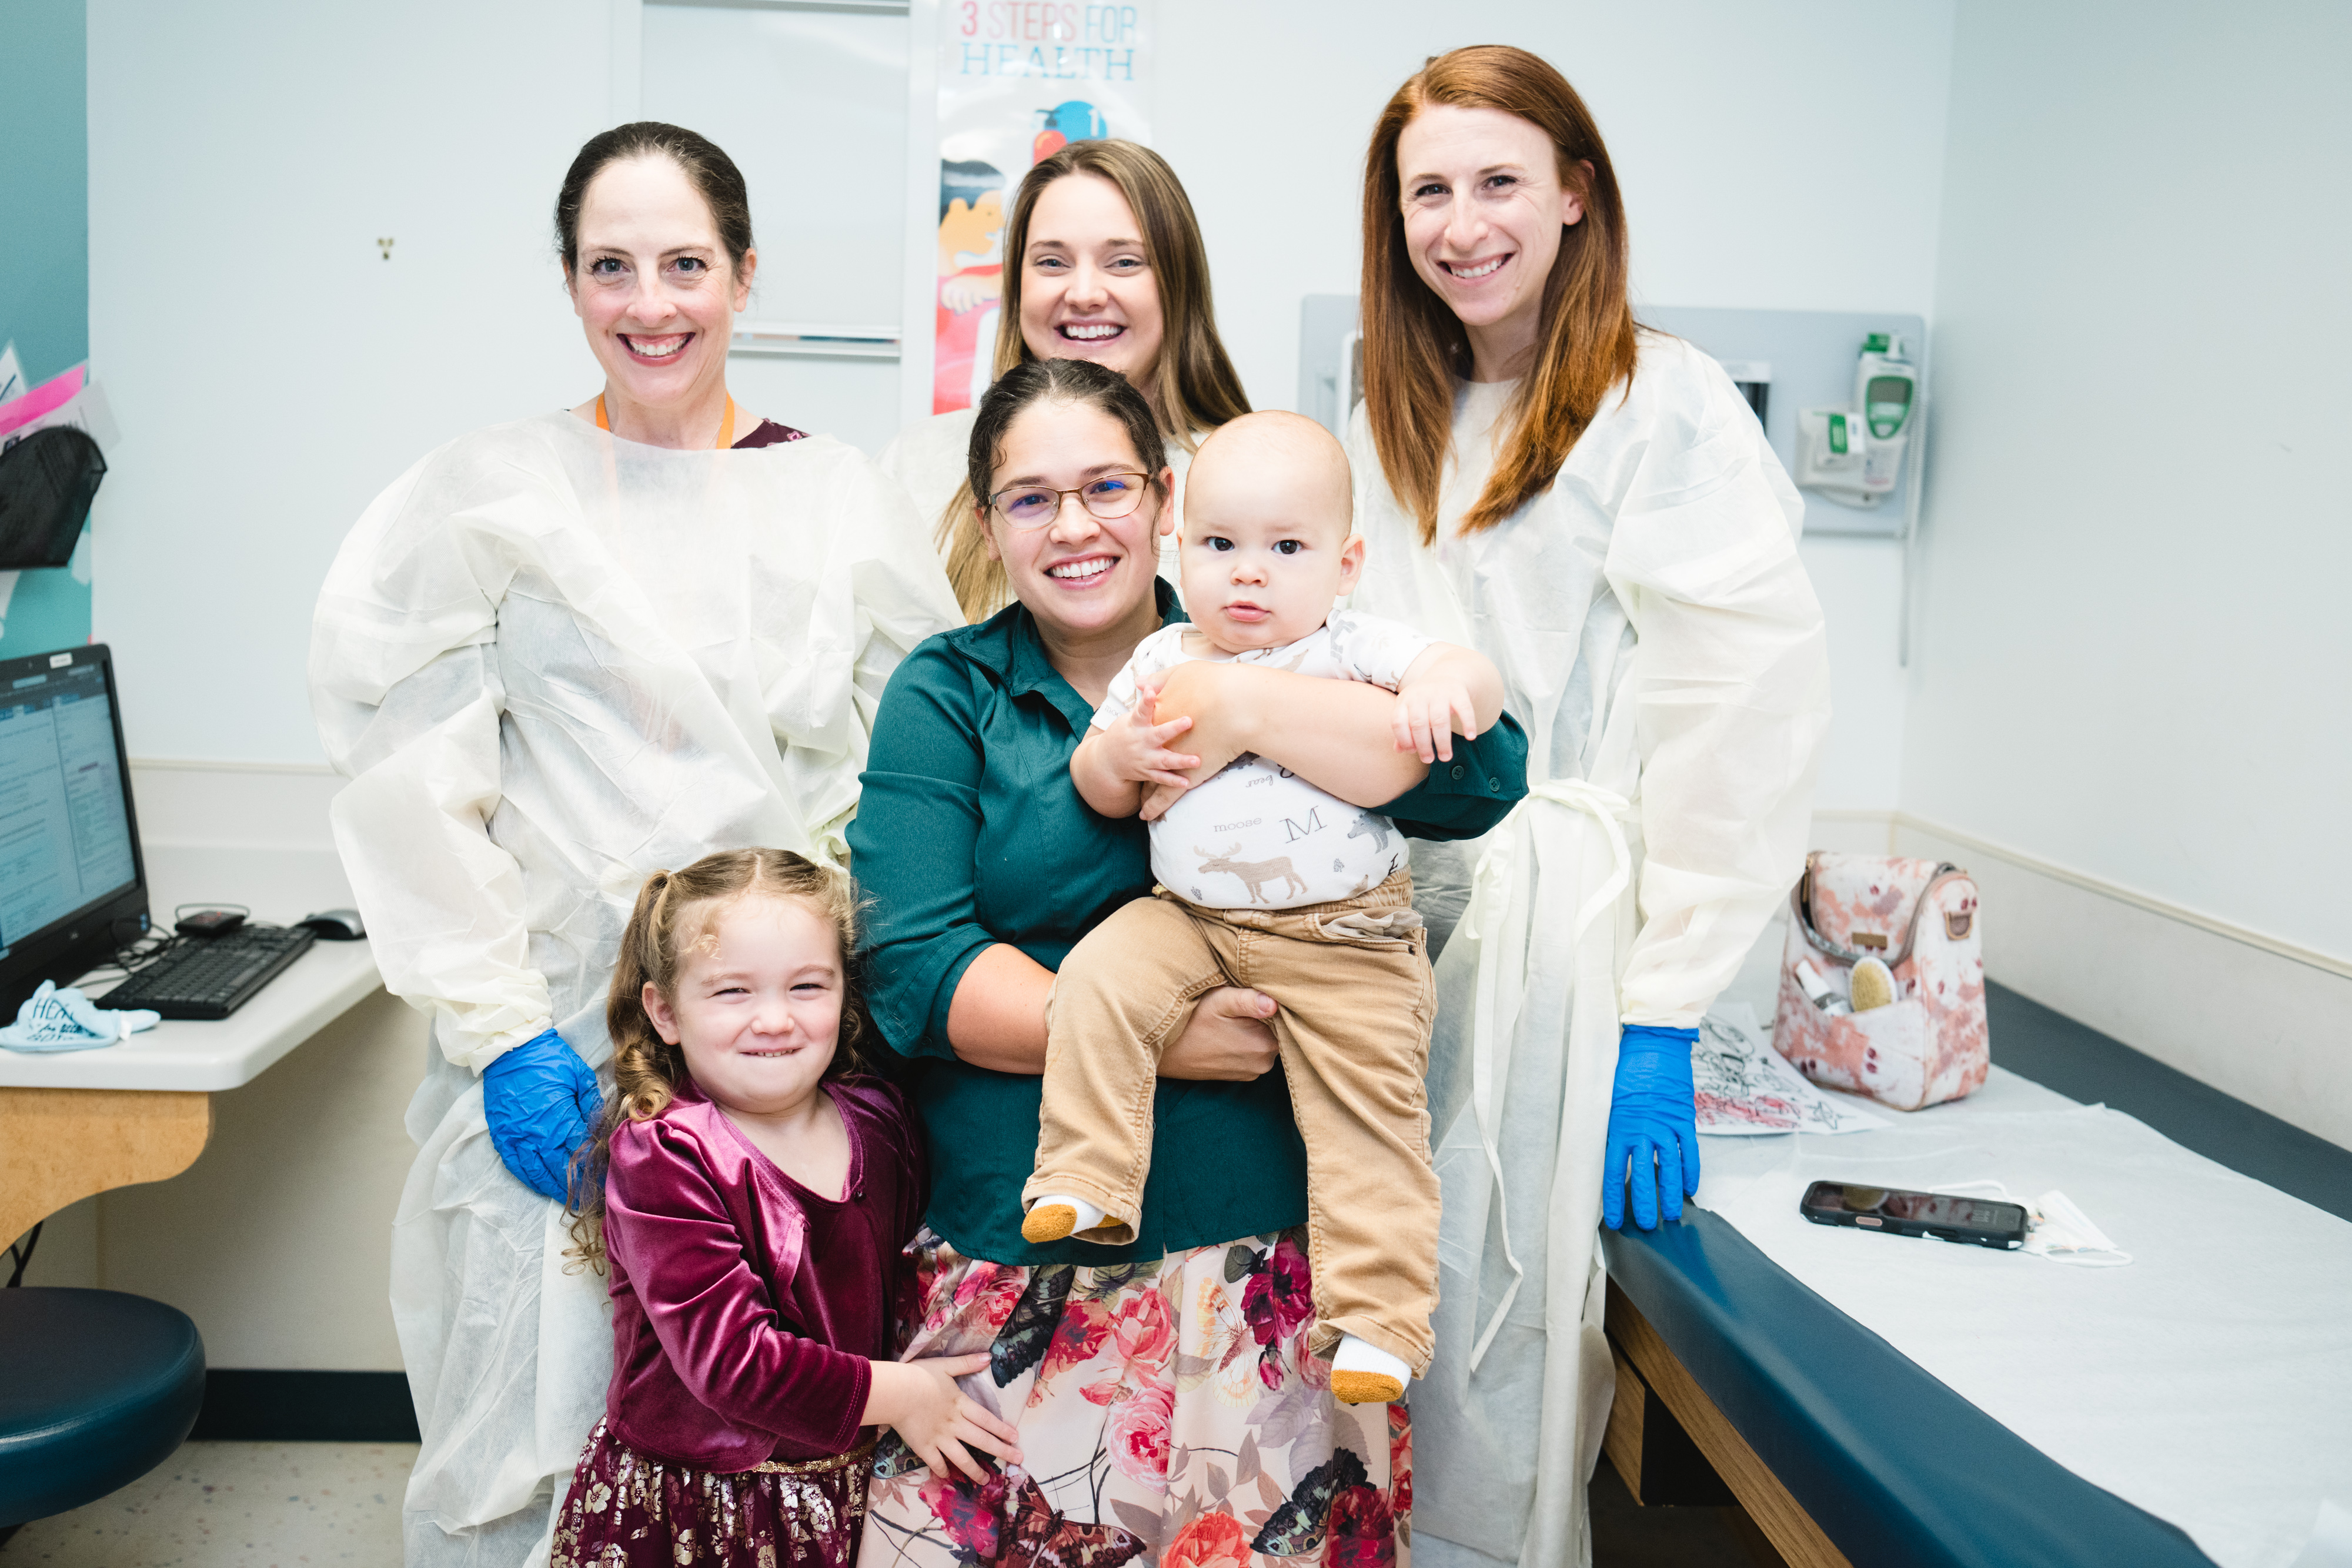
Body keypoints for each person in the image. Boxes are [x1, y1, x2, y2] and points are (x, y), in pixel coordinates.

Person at [309, 122, 960, 1566]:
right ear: (568, 280)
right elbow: (410, 776)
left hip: (772, 1048)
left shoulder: (835, 497)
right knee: (519, 1415)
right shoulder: (488, 497)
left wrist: (833, 999)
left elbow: (908, 766)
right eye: (612, 267)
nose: (649, 303)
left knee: (758, 1432)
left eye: (683, 264)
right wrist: (499, 1034)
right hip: (545, 1028)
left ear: (742, 275)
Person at [849, 358, 1529, 1565]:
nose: (1072, 526)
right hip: (1021, 1248)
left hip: (1260, 1252)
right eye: (1027, 497)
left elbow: (1484, 776)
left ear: (1159, 499)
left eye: (1105, 485)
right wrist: (1167, 1034)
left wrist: (1253, 709)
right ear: (985, 521)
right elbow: (912, 968)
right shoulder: (948, 693)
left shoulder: (1278, 617)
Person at [1343, 47, 1833, 1568]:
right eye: (1430, 189)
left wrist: (1667, 1006)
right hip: (1405, 920)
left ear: (1575, 193)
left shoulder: (1662, 400)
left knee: (1507, 1333)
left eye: (1499, 181)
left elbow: (1739, 709)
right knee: (1380, 1321)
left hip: (1574, 939)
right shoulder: (1395, 407)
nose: (1463, 221)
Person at [1018, 410, 1506, 1412]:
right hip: (1190, 917)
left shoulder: (1350, 647)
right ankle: (1087, 1175)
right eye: (1220, 545)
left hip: (1344, 937)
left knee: (1371, 1109)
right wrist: (1116, 761)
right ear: (1179, 548)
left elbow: (1474, 682)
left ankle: (1380, 1315)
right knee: (1098, 980)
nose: (1250, 573)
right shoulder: (1160, 658)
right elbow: (1098, 777)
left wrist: (1444, 689)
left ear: (1345, 562)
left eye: (1286, 549)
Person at [550, 849, 1020, 1568]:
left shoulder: (880, 1116)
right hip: (700, 1506)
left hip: (846, 1479)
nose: (774, 1020)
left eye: (807, 985)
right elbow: (732, 1364)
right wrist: (904, 1395)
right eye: (733, 992)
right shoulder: (667, 1153)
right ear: (666, 1012)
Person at [880, 139, 1251, 621]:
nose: (1084, 294)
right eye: (1052, 262)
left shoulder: (1255, 475)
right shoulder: (916, 467)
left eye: (1124, 262)